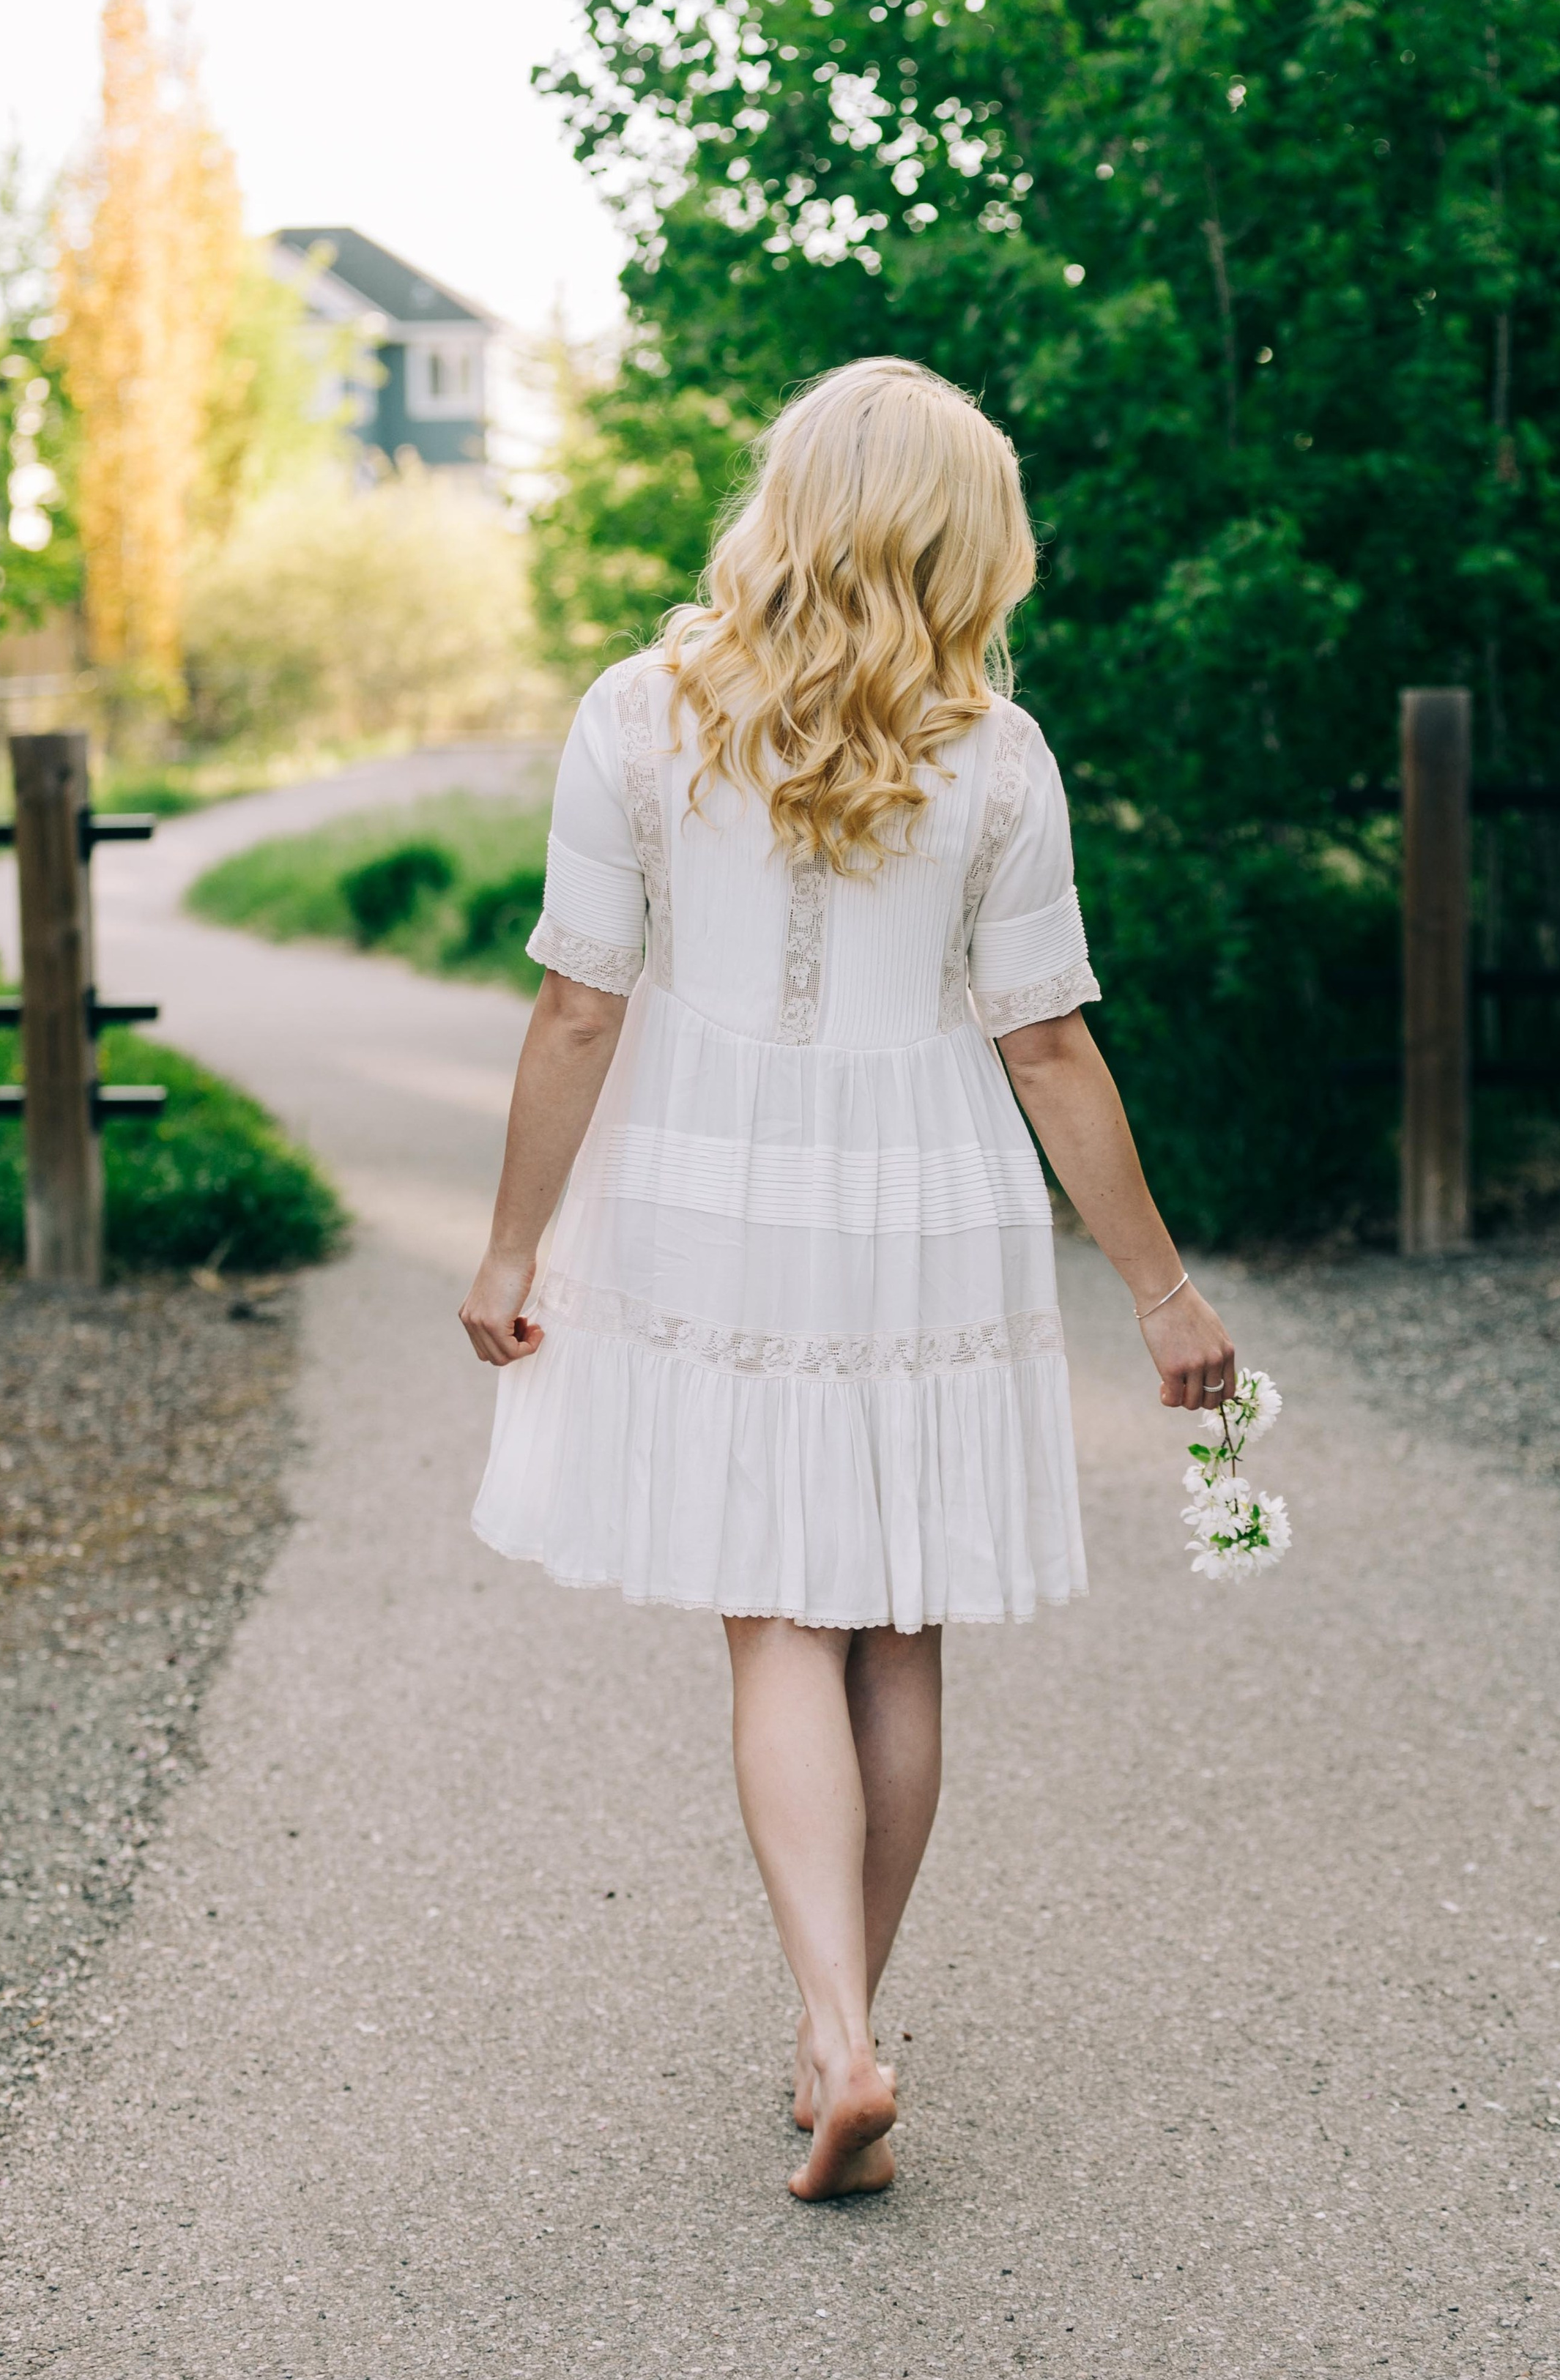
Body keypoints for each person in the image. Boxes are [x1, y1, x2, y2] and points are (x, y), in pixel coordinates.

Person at [460, 358, 1236, 2201]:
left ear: (782, 503)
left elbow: (578, 1008)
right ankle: (842, 2035)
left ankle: (835, 2039)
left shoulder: (637, 717)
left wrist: (510, 1242)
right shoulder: (997, 752)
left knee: (774, 1619)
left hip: (709, 1191)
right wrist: (1160, 1291)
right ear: (968, 539)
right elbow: (1045, 1044)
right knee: (896, 1623)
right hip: (926, 1198)